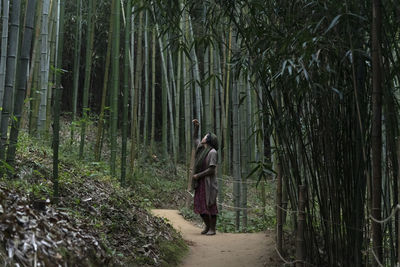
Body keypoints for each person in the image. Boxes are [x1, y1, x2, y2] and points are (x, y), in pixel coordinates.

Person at [191, 119, 218, 235]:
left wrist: (198, 175)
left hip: (208, 182)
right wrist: (196, 127)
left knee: (210, 205)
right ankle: (207, 227)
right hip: (200, 182)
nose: (203, 137)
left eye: (205, 136)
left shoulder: (212, 152)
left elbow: (212, 169)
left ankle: (212, 229)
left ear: (208, 140)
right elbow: (195, 139)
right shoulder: (201, 149)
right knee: (200, 205)